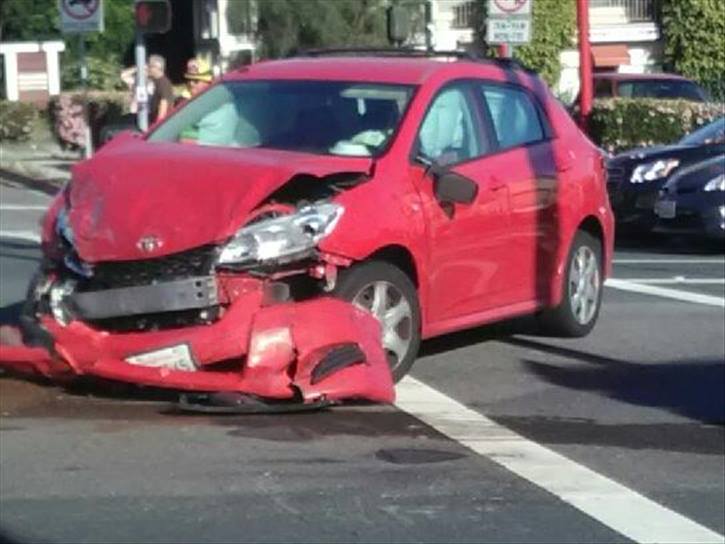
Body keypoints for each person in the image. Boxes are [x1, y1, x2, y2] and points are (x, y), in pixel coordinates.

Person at [147, 54, 174, 123]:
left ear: (157, 67)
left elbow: (164, 103)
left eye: (150, 66)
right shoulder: (155, 81)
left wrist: (158, 123)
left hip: (162, 123)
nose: (147, 68)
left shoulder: (164, 83)